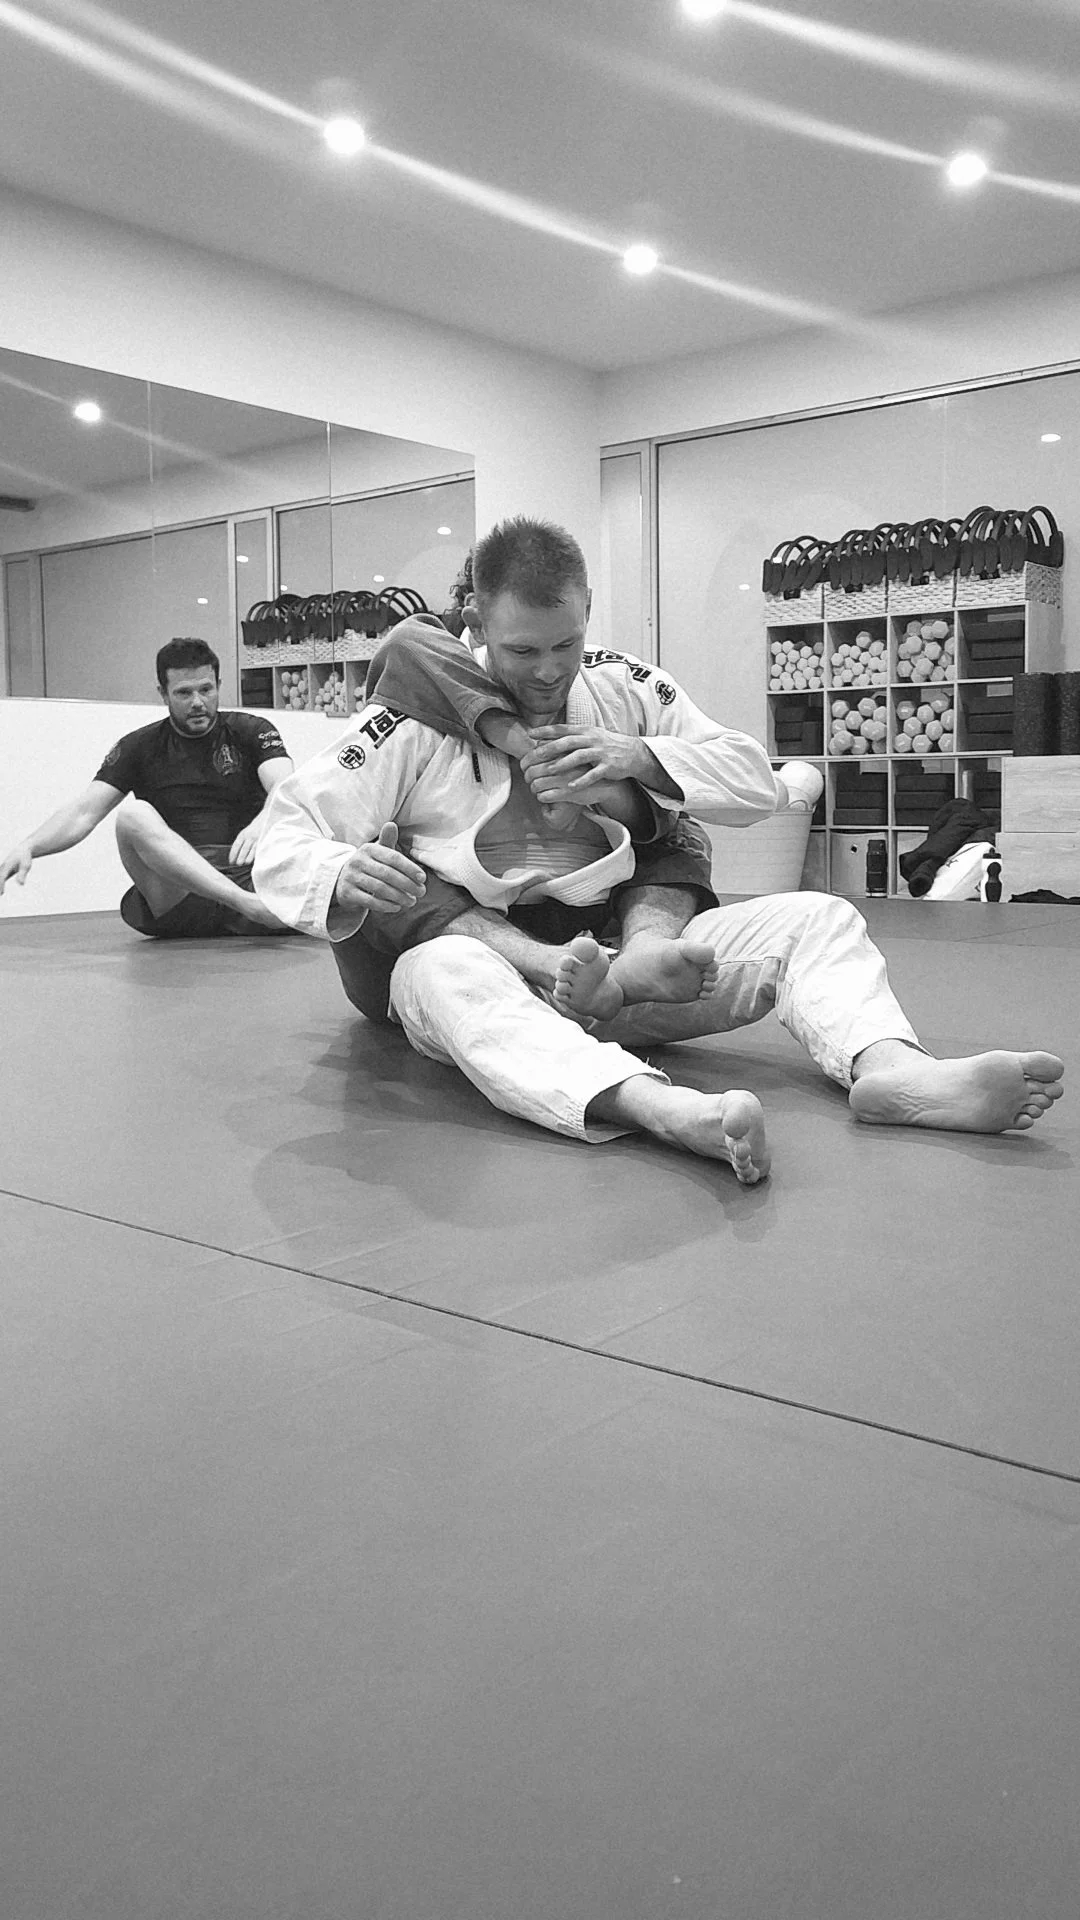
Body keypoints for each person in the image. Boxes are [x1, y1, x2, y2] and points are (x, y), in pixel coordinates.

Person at [253, 518, 1064, 1183]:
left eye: (564, 645)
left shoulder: (620, 684)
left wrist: (639, 757)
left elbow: (756, 779)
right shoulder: (415, 719)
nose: (546, 673)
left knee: (817, 918)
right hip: (501, 977)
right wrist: (340, 867)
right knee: (436, 970)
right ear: (476, 627)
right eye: (521, 651)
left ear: (588, 614)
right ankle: (659, 1107)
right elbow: (282, 835)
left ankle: (890, 1070)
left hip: (626, 966)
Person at [0, 637, 294, 936]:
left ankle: (252, 903)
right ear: (163, 694)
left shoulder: (252, 730)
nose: (197, 702)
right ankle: (246, 905)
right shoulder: (138, 746)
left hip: (250, 873)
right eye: (183, 693)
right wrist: (29, 846)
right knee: (133, 815)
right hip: (182, 891)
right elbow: (83, 813)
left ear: (218, 684)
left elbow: (286, 786)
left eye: (206, 689)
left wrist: (263, 822)